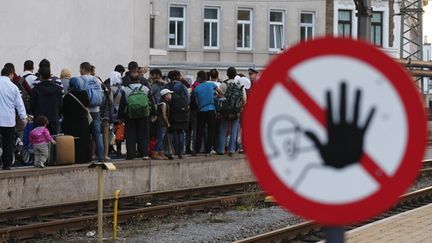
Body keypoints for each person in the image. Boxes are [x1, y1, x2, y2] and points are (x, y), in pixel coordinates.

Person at [118, 68, 152, 160]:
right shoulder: (145, 89)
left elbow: (122, 104)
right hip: (144, 115)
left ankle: (130, 155)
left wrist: (120, 116)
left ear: (130, 80)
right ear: (139, 79)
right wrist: (153, 113)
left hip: (130, 115)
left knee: (130, 135)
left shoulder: (126, 90)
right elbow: (151, 102)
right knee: (144, 134)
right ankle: (144, 153)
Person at [0, 67, 27, 170]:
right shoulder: (13, 87)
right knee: (8, 143)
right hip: (8, 121)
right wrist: (23, 119)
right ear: (11, 74)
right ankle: (7, 164)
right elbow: (19, 105)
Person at [217, 67, 247, 156]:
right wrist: (240, 107)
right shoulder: (240, 85)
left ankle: (221, 150)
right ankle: (232, 149)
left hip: (225, 111)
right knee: (234, 130)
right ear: (235, 75)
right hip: (236, 111)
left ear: (227, 74)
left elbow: (219, 97)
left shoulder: (223, 84)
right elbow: (244, 99)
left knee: (223, 130)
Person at [79, 62, 105, 162]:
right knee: (97, 134)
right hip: (96, 110)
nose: (79, 71)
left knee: (85, 134)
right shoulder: (97, 80)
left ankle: (86, 157)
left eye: (80, 69)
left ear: (83, 69)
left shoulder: (80, 80)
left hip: (85, 110)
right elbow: (101, 95)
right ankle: (101, 156)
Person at [193, 71, 223, 156]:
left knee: (200, 131)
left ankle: (196, 150)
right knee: (211, 131)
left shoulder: (196, 89)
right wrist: (215, 97)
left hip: (201, 111)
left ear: (199, 78)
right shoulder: (212, 85)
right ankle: (208, 150)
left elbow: (197, 102)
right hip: (211, 110)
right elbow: (221, 94)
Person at [62, 77, 91, 163]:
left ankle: (74, 157)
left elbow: (63, 110)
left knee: (74, 141)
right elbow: (87, 104)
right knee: (84, 140)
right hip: (83, 121)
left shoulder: (67, 97)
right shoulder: (84, 94)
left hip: (71, 122)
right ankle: (86, 158)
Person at [30, 67, 63, 135]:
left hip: (39, 120)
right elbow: (61, 104)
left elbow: (32, 104)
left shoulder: (36, 89)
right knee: (54, 139)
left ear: (40, 76)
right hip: (54, 117)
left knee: (39, 140)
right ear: (50, 76)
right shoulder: (57, 88)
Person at [166, 70, 190, 159]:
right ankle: (180, 152)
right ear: (177, 76)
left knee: (172, 132)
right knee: (180, 132)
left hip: (171, 113)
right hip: (182, 112)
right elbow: (187, 100)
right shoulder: (182, 86)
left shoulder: (167, 86)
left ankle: (171, 151)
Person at [154, 89, 174, 160]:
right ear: (165, 96)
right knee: (160, 139)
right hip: (161, 124)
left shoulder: (161, 103)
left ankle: (161, 151)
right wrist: (167, 123)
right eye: (169, 94)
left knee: (161, 139)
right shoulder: (163, 104)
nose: (170, 95)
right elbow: (164, 115)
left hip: (161, 124)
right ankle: (155, 152)